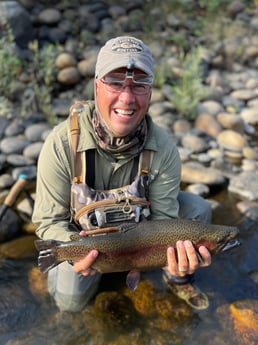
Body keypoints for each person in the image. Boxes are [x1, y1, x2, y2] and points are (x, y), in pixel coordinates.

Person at [32, 36, 212, 313]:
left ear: (150, 92)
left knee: (198, 210)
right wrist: (75, 253)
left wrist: (173, 257)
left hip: (140, 240)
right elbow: (48, 221)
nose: (127, 98)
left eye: (139, 84)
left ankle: (177, 278)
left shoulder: (162, 148)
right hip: (87, 241)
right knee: (70, 305)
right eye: (115, 82)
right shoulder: (61, 144)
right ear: (96, 86)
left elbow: (164, 223)